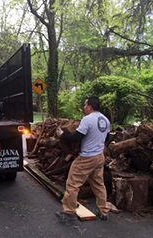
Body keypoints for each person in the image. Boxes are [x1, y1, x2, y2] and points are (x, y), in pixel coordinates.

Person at [55, 96, 111, 224]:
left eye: (85, 105)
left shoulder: (87, 119)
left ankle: (69, 213)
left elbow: (76, 137)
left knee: (72, 184)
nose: (84, 107)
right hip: (99, 156)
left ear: (90, 106)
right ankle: (103, 212)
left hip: (86, 158)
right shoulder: (105, 119)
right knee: (98, 184)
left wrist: (62, 134)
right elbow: (107, 137)